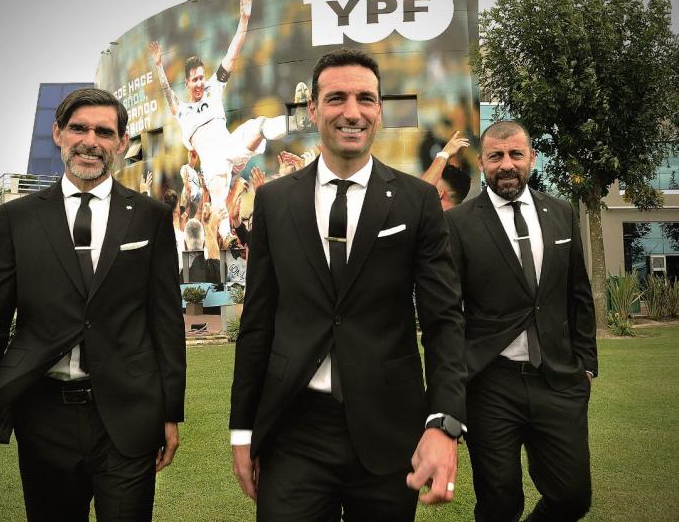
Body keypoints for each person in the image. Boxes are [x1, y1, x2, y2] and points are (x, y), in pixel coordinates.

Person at [229, 48, 467, 521]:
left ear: (379, 110)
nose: (352, 112)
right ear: (313, 109)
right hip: (293, 430)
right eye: (336, 98)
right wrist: (242, 431)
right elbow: (257, 322)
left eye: (366, 99)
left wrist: (443, 423)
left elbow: (444, 321)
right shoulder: (274, 201)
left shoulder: (417, 201)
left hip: (389, 426)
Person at [0, 88, 187, 522]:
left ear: (121, 142)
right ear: (58, 133)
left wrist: (171, 413)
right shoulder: (17, 218)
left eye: (103, 132)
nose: (90, 141)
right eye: (79, 128)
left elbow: (165, 321)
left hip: (129, 415)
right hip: (43, 418)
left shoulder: (149, 216)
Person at [445, 121, 598, 522]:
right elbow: (448, 313)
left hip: (558, 379)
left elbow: (578, 294)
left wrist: (586, 365)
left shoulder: (561, 213)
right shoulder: (459, 223)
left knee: (572, 497)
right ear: (482, 163)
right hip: (491, 384)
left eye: (515, 154)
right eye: (495, 156)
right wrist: (454, 385)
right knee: (498, 503)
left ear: (532, 157)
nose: (506, 165)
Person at [149, 0, 287, 244]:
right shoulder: (183, 111)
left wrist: (244, 20)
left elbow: (232, 55)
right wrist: (159, 67)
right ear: (187, 83)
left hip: (228, 146)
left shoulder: (213, 88)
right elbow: (167, 94)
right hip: (212, 161)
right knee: (217, 189)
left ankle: (294, 122)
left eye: (202, 77)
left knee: (257, 126)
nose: (200, 83)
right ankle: (227, 236)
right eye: (195, 79)